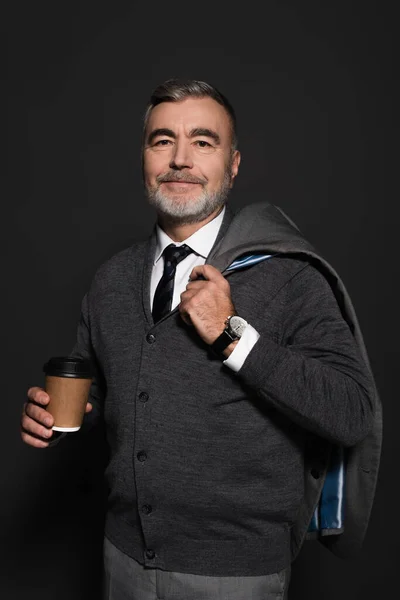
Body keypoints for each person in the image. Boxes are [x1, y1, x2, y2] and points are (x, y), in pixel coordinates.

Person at [20, 79, 382, 600]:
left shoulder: (290, 277)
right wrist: (61, 416)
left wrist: (233, 335)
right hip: (121, 558)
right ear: (144, 157)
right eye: (162, 140)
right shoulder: (112, 278)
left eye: (203, 142)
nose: (180, 159)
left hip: (235, 573)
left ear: (233, 165)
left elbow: (351, 412)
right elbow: (98, 383)